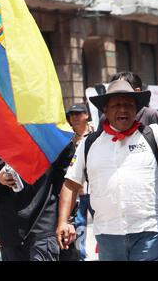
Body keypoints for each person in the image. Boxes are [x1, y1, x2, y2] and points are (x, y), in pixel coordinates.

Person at [57, 80, 158, 261]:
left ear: (136, 109)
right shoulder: (89, 144)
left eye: (128, 105)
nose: (123, 109)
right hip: (107, 234)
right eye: (116, 105)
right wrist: (63, 221)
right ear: (105, 110)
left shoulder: (153, 136)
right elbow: (71, 184)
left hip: (149, 232)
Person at [0, 139, 74, 261]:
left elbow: (69, 180)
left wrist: (68, 219)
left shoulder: (51, 132)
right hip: (9, 230)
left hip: (43, 225)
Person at [65, 103, 94, 261]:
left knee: (104, 225)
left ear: (86, 115)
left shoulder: (97, 134)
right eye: (71, 114)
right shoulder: (66, 138)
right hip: (76, 192)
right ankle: (81, 257)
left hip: (96, 189)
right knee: (79, 227)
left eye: (78, 113)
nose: (75, 117)